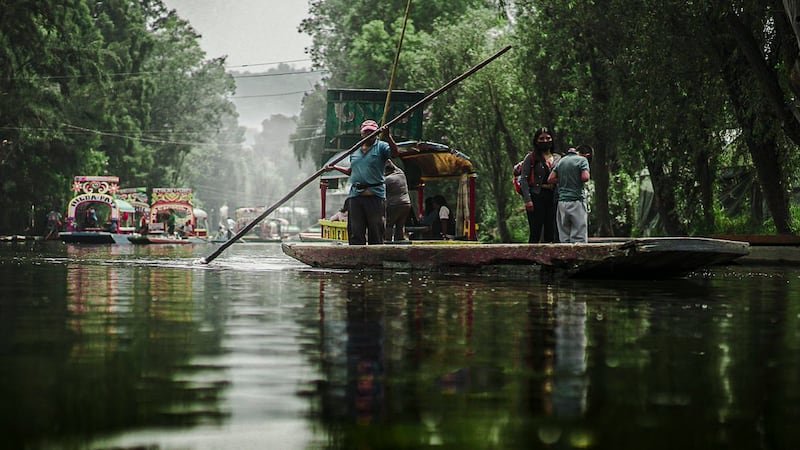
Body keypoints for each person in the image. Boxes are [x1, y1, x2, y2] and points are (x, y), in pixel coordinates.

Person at [325, 119, 399, 245]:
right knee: (355, 231)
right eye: (366, 132)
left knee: (375, 231)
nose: (369, 135)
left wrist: (388, 136)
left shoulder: (381, 147)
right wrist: (335, 167)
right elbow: (351, 171)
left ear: (376, 133)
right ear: (362, 134)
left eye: (372, 132)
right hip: (355, 196)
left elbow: (395, 153)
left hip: (375, 196)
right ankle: (356, 256)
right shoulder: (355, 150)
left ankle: (375, 257)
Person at [519, 127, 561, 243]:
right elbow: (524, 180)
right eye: (541, 138)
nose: (545, 141)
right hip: (537, 196)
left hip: (553, 197)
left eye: (548, 138)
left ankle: (550, 257)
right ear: (536, 141)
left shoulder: (558, 158)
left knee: (551, 229)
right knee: (535, 230)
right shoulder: (531, 157)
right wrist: (528, 200)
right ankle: (531, 257)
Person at [547, 146, 591, 243]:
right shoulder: (582, 160)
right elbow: (585, 177)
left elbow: (550, 179)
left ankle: (565, 256)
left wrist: (563, 179)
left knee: (564, 235)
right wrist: (575, 177)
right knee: (579, 235)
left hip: (562, 202)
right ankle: (578, 257)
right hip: (577, 201)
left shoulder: (561, 161)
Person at [384, 159, 411, 241]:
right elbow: (391, 164)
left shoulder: (387, 180)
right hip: (406, 203)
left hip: (394, 204)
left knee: (389, 224)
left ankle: (387, 240)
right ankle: (399, 240)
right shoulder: (401, 173)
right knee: (400, 225)